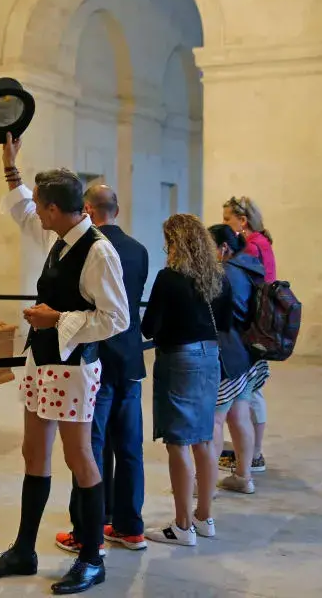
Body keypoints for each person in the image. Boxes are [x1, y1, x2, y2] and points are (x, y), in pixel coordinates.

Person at [0, 133, 129, 595]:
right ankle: (24, 550)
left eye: (42, 207)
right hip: (42, 361)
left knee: (79, 457)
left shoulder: (98, 250)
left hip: (74, 367)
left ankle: (92, 558)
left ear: (56, 209)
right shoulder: (60, 237)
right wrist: (10, 167)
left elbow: (117, 318)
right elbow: (23, 210)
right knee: (33, 452)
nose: (36, 213)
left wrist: (56, 317)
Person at [55, 185, 149, 556]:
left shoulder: (89, 248)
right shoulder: (139, 250)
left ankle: (87, 530)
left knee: (88, 449)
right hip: (130, 359)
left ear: (88, 210)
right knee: (129, 448)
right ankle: (130, 527)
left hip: (97, 357)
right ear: (118, 210)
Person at [140, 214, 229, 546]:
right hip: (210, 357)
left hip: (180, 359)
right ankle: (204, 518)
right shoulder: (216, 277)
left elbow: (149, 327)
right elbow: (225, 320)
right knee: (203, 440)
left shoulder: (169, 278)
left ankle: (182, 525)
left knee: (177, 442)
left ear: (175, 243)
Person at [208, 224, 270, 495]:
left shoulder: (225, 273)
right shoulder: (251, 267)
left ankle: (205, 484)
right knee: (240, 415)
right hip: (249, 353)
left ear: (223, 247)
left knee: (215, 420)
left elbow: (219, 317)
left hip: (229, 354)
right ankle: (244, 476)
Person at [220, 196, 276, 472]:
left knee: (250, 394)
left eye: (227, 219)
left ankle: (253, 455)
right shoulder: (261, 241)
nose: (224, 225)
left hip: (251, 328)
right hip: (259, 325)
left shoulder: (251, 247)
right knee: (252, 392)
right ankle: (252, 453)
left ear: (242, 221)